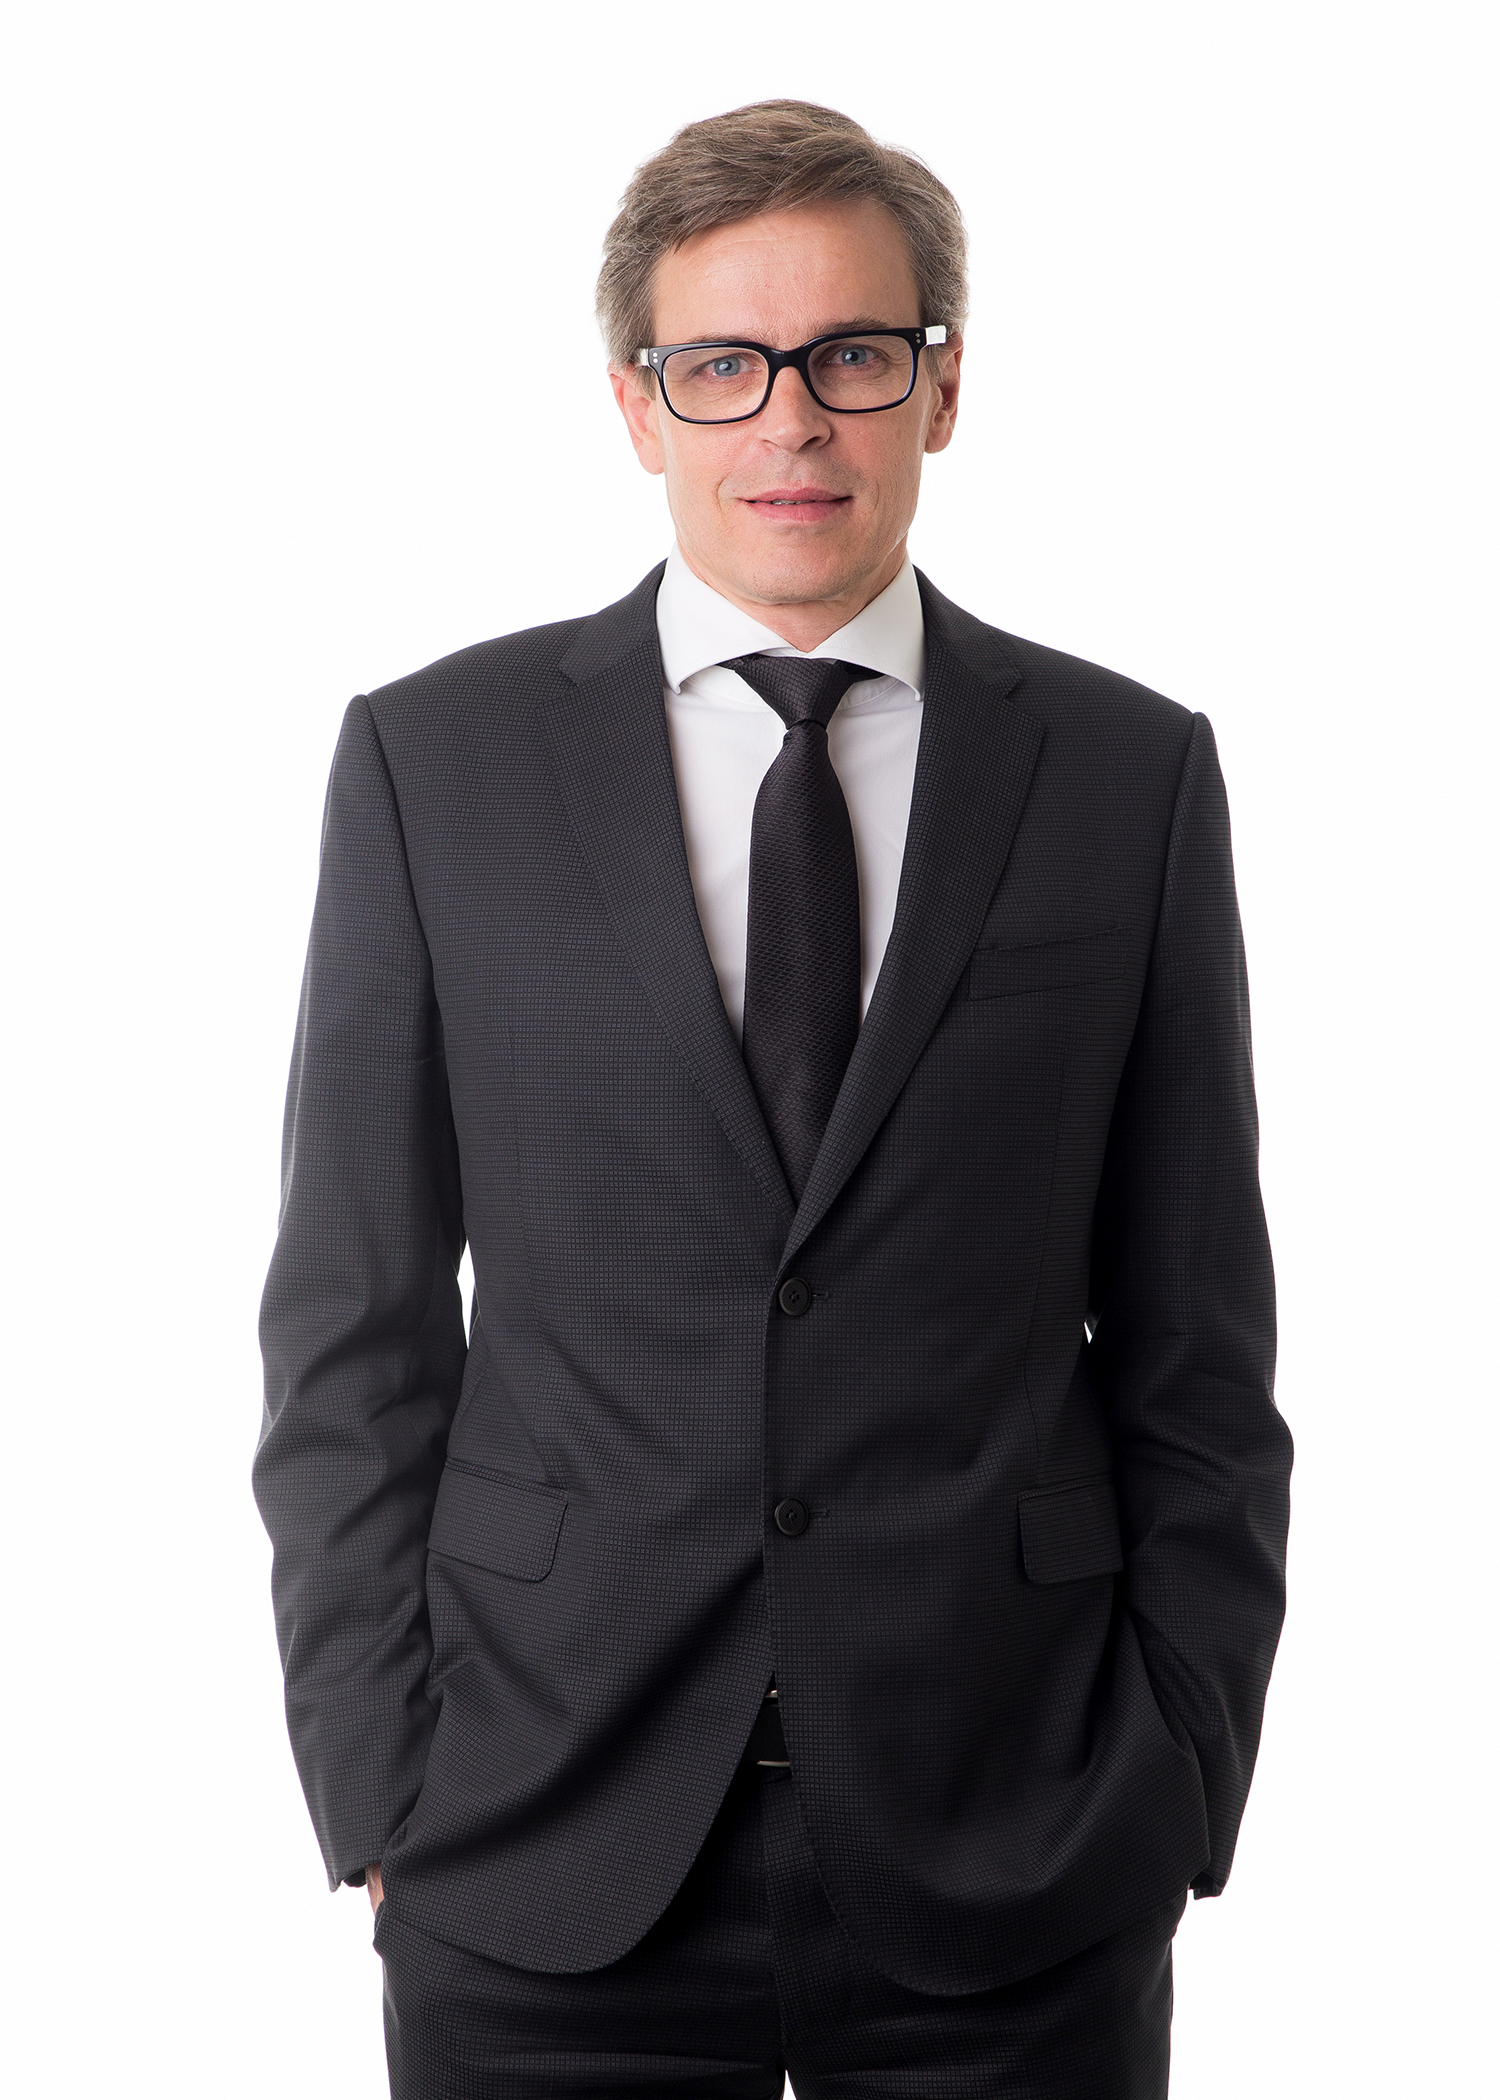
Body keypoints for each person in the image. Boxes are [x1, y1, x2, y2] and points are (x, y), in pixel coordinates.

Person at [254, 98, 1292, 2100]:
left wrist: (1181, 1771)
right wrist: (379, 1784)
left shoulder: (1128, 776)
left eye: (853, 356)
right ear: (637, 407)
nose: (791, 421)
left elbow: (1198, 1350)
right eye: (721, 365)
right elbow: (352, 1334)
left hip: (1018, 1846)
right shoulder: (433, 764)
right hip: (538, 1840)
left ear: (944, 387)